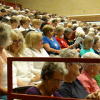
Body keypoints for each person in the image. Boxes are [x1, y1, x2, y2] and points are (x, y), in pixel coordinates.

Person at [0, 23, 17, 100]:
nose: (11, 39)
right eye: (10, 36)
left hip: (13, 90)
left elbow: (13, 77)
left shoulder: (3, 50)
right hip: (4, 95)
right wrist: (16, 93)